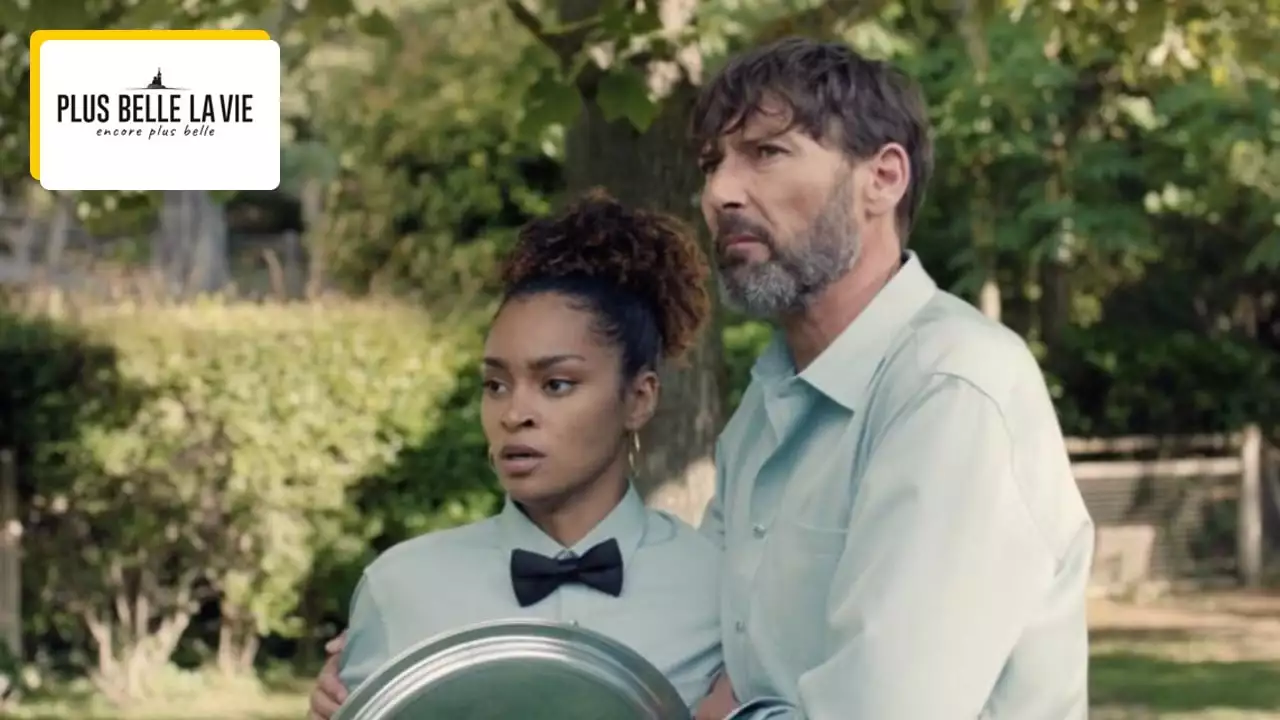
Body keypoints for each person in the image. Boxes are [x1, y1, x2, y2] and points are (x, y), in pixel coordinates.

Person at [313, 36, 1094, 720]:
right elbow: (692, 628)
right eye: (713, 163)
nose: (719, 193)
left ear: (882, 178)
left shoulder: (949, 388)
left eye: (766, 153)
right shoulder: (764, 413)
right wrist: (420, 671)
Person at [320, 191, 724, 718]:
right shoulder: (400, 587)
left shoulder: (718, 589)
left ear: (639, 398)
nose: (514, 414)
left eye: (556, 384)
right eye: (496, 385)